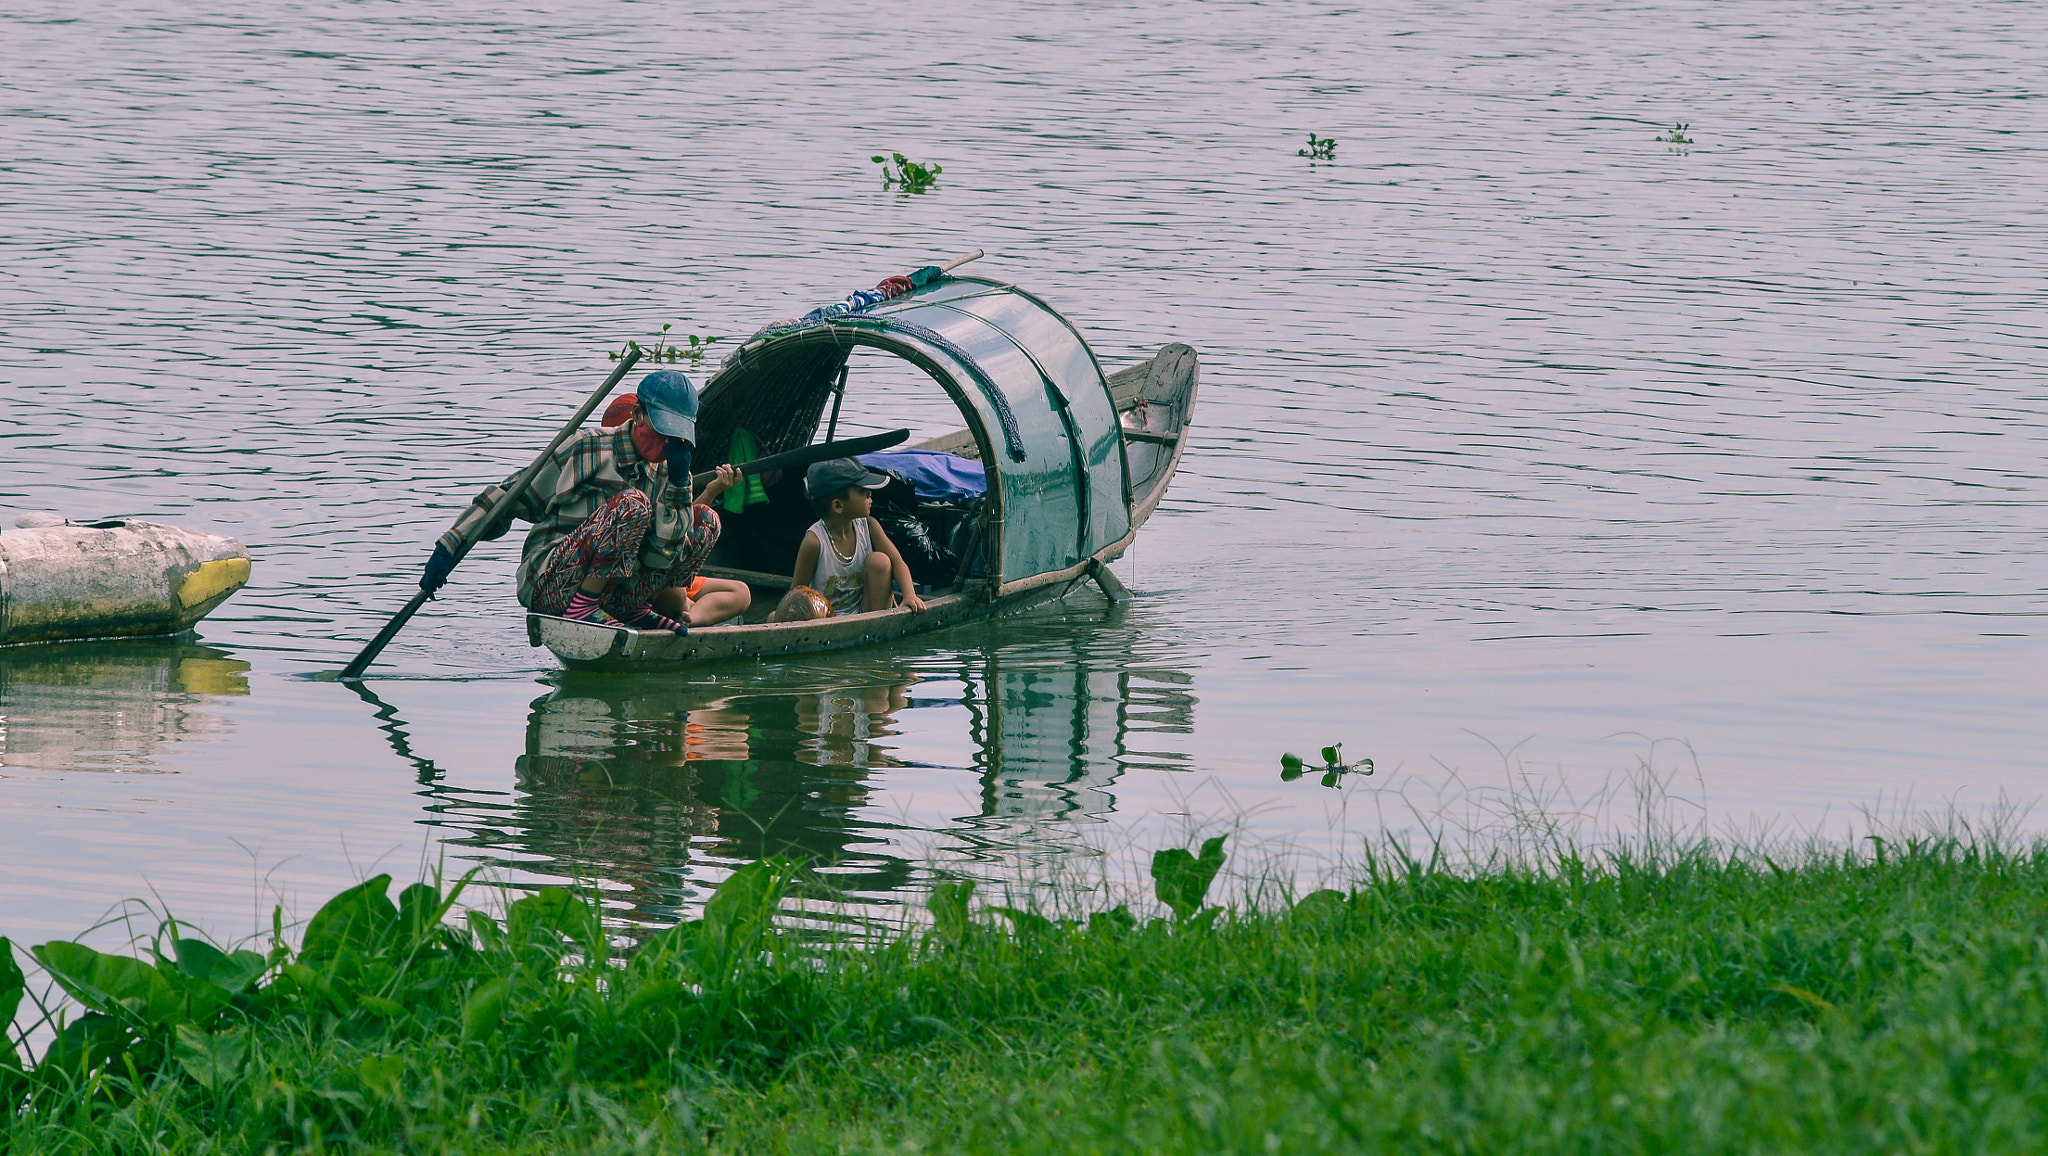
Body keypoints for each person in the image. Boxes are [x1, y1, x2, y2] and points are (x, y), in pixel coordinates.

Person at [417, 369, 744, 634]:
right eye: (659, 432)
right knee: (634, 504)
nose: (664, 444)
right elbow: (510, 496)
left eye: (674, 437)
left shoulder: (669, 473)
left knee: (706, 521)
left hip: (615, 598)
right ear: (637, 415)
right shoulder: (587, 448)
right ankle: (583, 607)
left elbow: (664, 556)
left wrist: (677, 486)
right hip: (552, 584)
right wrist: (450, 546)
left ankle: (634, 609)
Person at [595, 390, 753, 627]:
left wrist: (712, 490)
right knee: (679, 597)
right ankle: (681, 610)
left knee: (741, 592)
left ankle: (690, 618)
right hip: (630, 579)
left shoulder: (666, 470)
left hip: (663, 570)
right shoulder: (606, 468)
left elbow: (683, 524)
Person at [789, 459, 927, 617]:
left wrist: (910, 595)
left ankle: (877, 623)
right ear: (838, 506)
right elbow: (796, 593)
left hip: (866, 611)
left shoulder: (869, 525)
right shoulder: (814, 542)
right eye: (863, 492)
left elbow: (898, 562)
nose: (870, 496)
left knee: (880, 560)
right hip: (826, 620)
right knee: (775, 616)